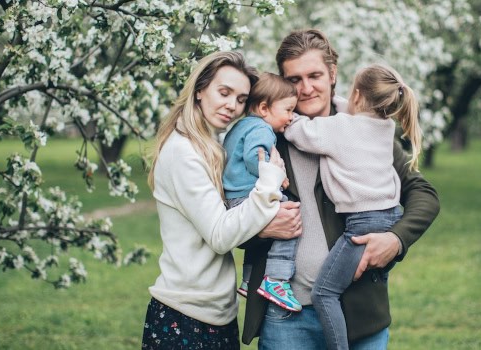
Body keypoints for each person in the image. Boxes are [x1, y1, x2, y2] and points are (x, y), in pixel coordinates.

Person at [240, 29, 441, 349]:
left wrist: (396, 239)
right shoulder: (265, 134)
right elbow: (227, 212)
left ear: (333, 73)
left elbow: (422, 193)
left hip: (358, 313)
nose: (305, 88)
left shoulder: (364, 124)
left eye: (315, 75)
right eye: (294, 79)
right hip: (285, 317)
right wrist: (260, 229)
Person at [142, 51, 301, 350]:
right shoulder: (183, 153)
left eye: (241, 99)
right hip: (185, 315)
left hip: (218, 314)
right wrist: (269, 182)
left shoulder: (212, 145)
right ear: (200, 90)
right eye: (224, 92)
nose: (232, 105)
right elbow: (219, 235)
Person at [283, 63, 423, 350]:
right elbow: (357, 115)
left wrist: (286, 115)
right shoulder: (384, 128)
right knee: (364, 272)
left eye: (314, 76)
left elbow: (300, 132)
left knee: (324, 293)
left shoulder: (339, 127)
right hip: (388, 215)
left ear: (356, 96)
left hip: (363, 223)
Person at [222, 72, 302, 312]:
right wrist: (277, 175)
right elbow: (253, 158)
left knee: (263, 236)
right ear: (265, 108)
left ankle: (248, 279)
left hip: (234, 197)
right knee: (290, 217)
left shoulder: (242, 126)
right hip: (247, 195)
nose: (291, 117)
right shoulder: (262, 129)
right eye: (288, 110)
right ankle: (276, 280)